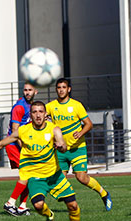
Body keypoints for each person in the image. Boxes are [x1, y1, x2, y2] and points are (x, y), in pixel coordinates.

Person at [0, 100, 81, 221]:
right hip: (35, 177)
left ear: (45, 114)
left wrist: (61, 146)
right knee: (38, 206)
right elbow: (0, 144)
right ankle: (49, 216)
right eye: (34, 112)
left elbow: (63, 145)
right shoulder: (23, 131)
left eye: (41, 111)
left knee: (73, 205)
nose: (38, 115)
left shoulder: (54, 129)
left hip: (55, 176)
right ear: (30, 115)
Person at [45, 77, 112, 210]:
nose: (61, 90)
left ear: (69, 89)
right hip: (60, 149)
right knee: (59, 180)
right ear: (56, 90)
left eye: (64, 87)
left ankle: (104, 194)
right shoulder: (51, 106)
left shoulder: (76, 105)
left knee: (81, 177)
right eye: (59, 88)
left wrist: (81, 133)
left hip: (77, 148)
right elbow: (41, 119)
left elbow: (89, 124)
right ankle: (70, 205)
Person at [3, 82, 36, 216]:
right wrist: (25, 148)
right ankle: (10, 203)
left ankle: (22, 206)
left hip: (22, 145)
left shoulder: (32, 107)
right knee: (27, 174)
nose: (27, 92)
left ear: (35, 91)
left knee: (30, 175)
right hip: (14, 146)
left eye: (30, 90)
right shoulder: (19, 107)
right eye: (25, 90)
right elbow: (15, 131)